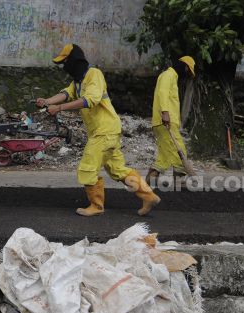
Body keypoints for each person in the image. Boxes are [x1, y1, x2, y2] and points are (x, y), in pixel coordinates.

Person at [36, 43, 160, 216]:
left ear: (75, 61)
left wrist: (60, 108)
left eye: (66, 62)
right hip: (105, 131)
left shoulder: (94, 74)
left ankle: (96, 206)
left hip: (104, 131)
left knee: (87, 167)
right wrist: (48, 101)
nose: (64, 67)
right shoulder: (78, 81)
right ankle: (148, 196)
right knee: (118, 169)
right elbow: (66, 94)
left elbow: (89, 100)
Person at [146, 56, 196, 187]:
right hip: (166, 121)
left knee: (165, 152)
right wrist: (165, 113)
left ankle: (152, 175)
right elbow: (162, 93)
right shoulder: (168, 75)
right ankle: (179, 179)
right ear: (184, 66)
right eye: (188, 71)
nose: (188, 74)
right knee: (179, 150)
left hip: (164, 121)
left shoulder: (171, 76)